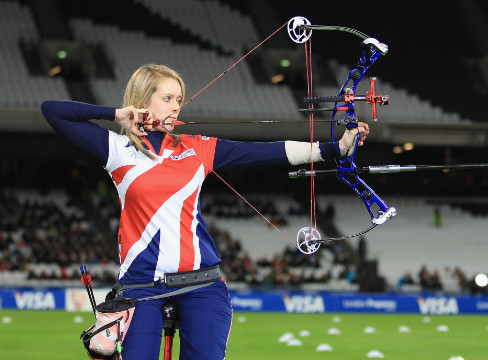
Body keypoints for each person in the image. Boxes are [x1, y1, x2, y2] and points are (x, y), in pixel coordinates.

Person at [41, 64, 370, 359]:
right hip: (142, 289)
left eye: (179, 99)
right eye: (167, 98)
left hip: (203, 285)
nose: (175, 106)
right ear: (143, 100)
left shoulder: (195, 148)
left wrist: (334, 148)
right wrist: (116, 114)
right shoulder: (118, 149)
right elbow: (52, 110)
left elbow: (266, 152)